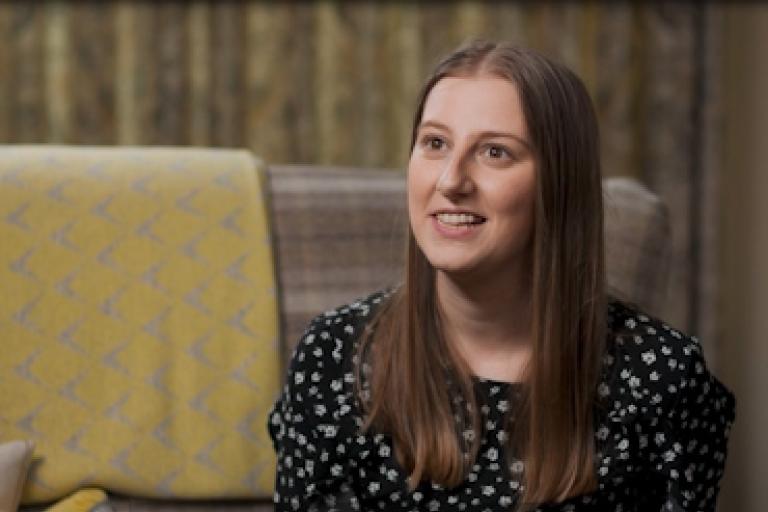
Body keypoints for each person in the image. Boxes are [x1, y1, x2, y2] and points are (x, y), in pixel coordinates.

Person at [267, 40, 735, 512]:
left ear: (558, 184)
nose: (451, 181)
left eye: (494, 152)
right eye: (435, 143)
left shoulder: (663, 378)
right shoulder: (334, 357)